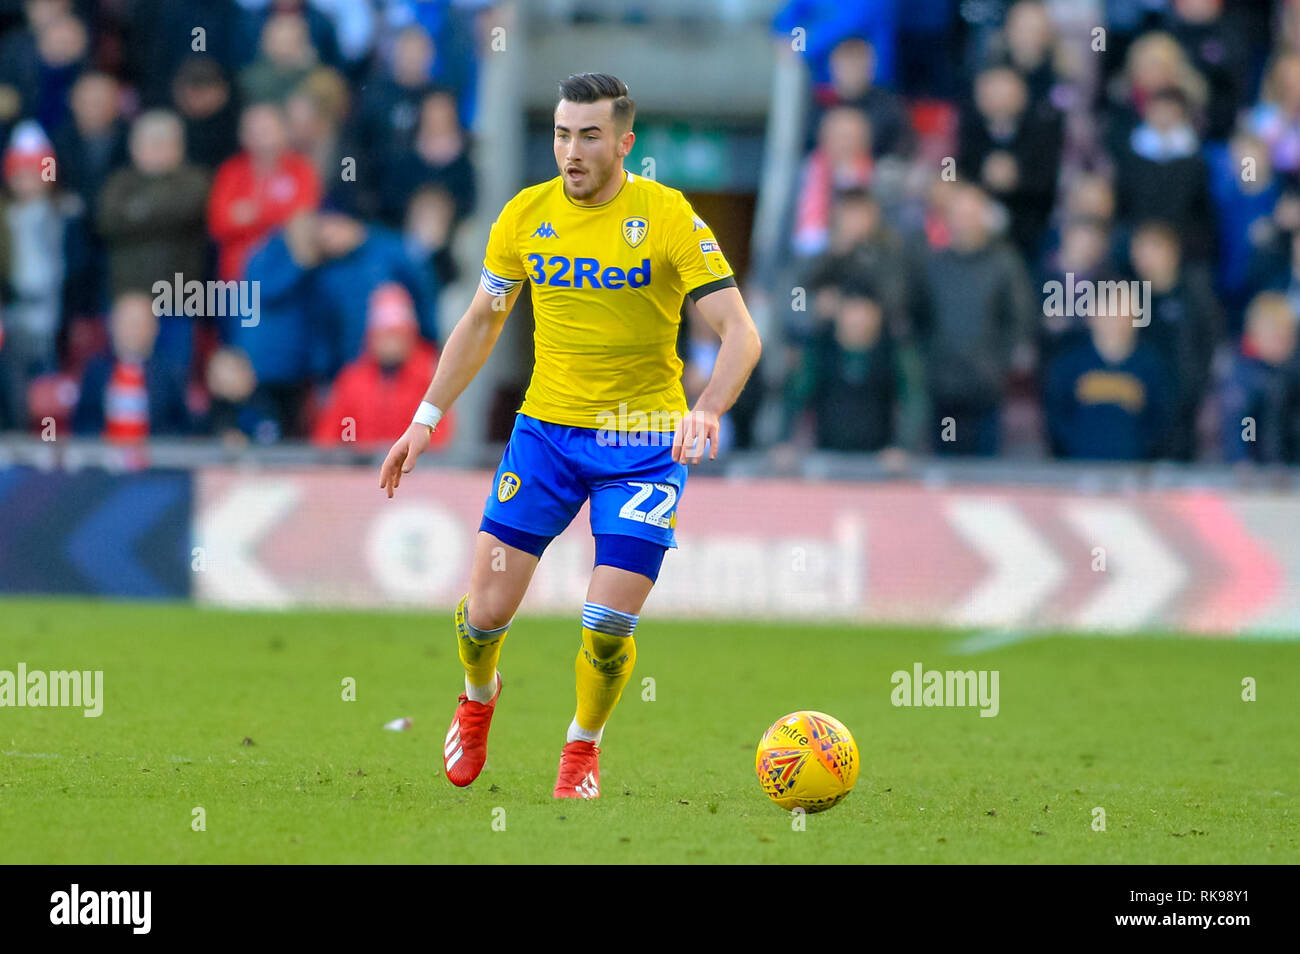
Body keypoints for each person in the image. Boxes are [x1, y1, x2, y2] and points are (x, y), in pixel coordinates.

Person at [377, 73, 762, 799]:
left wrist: (707, 407)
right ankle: (478, 696)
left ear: (625, 143)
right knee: (486, 612)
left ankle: (581, 748)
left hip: (643, 444)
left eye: (588, 135)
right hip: (546, 437)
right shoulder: (524, 216)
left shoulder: (669, 217)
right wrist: (424, 419)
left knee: (607, 622)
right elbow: (484, 320)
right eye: (560, 133)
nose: (571, 150)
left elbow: (741, 332)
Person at [312, 283, 451, 450]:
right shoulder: (352, 381)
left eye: (397, 334)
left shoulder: (429, 378)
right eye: (384, 334)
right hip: (360, 471)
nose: (390, 343)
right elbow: (329, 438)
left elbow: (438, 437)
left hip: (412, 469)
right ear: (371, 336)